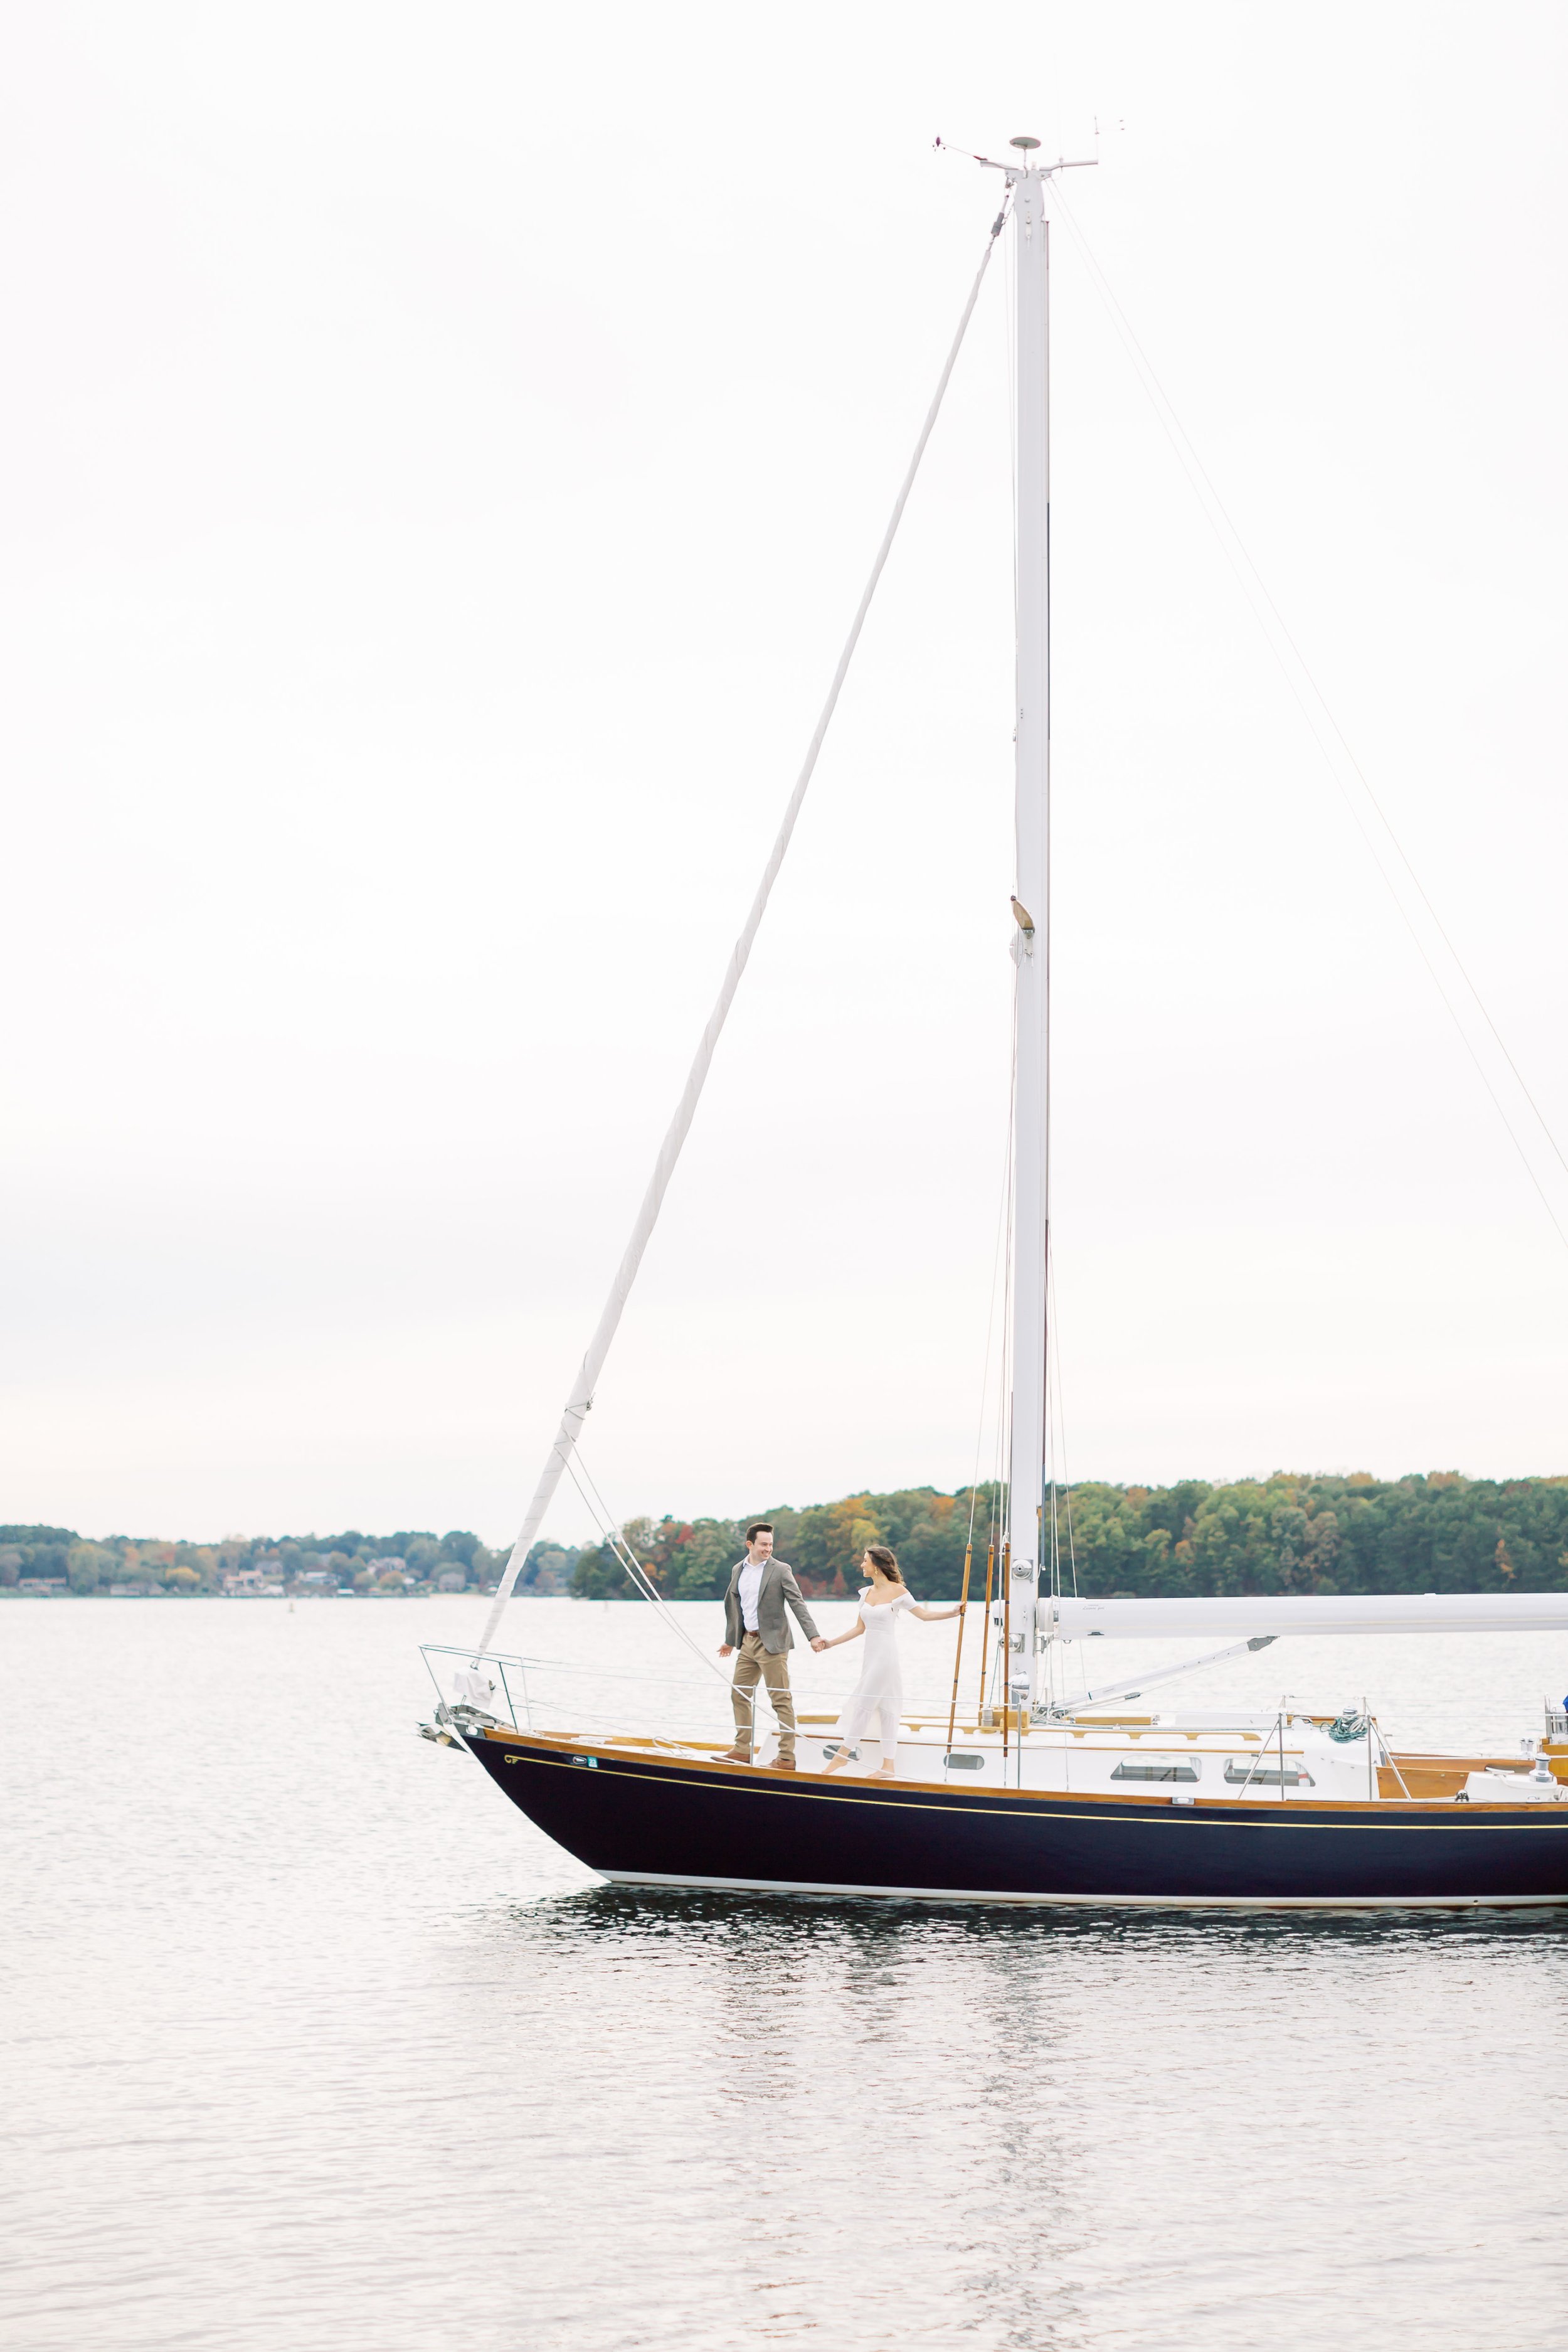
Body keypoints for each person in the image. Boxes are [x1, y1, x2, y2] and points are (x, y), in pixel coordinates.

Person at [821, 1544, 962, 1777]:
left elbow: (924, 1616)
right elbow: (859, 1628)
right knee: (886, 1709)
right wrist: (831, 1643)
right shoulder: (865, 1593)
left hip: (886, 1656)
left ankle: (841, 1757)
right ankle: (888, 1767)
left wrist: (952, 1613)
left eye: (865, 1560)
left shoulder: (899, 1592)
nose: (861, 1564)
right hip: (870, 1656)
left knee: (864, 1705)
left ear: (876, 1565)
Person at [717, 1522, 827, 1770]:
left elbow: (798, 1603)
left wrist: (813, 1636)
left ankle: (786, 1758)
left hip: (774, 1645)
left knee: (780, 1700)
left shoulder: (781, 1570)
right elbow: (735, 1607)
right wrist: (730, 1640)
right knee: (740, 1694)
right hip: (747, 1642)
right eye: (764, 1544)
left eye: (771, 1544)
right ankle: (742, 1750)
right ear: (750, 1545)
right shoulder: (738, 1569)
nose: (768, 1549)